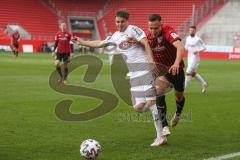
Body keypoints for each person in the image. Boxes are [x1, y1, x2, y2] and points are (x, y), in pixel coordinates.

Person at [74, 9, 167, 147]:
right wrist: (82, 42)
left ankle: (161, 136)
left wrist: (151, 62)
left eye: (122, 21)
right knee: (138, 107)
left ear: (127, 21)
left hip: (145, 68)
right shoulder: (116, 36)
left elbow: (146, 43)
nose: (119, 24)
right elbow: (100, 43)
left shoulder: (133, 30)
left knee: (151, 103)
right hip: (134, 74)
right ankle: (157, 95)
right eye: (117, 21)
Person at [146, 14, 186, 136]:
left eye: (156, 28)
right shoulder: (147, 37)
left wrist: (176, 63)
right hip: (161, 70)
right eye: (150, 28)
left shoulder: (168, 31)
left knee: (179, 95)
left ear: (161, 25)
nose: (153, 31)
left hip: (175, 69)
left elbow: (179, 46)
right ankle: (164, 126)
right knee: (159, 90)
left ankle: (178, 113)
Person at [184, 26, 208, 93]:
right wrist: (185, 48)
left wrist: (197, 50)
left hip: (195, 58)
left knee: (188, 72)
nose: (191, 31)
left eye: (193, 30)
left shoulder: (198, 39)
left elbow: (204, 47)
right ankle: (204, 84)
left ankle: (184, 90)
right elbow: (186, 46)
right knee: (193, 74)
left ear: (195, 31)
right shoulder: (188, 38)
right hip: (189, 57)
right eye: (190, 30)